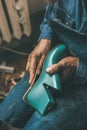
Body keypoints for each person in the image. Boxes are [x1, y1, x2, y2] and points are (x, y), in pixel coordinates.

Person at [0, 0, 87, 129]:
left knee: (37, 126)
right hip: (57, 60)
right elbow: (52, 11)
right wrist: (46, 37)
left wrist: (79, 67)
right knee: (6, 116)